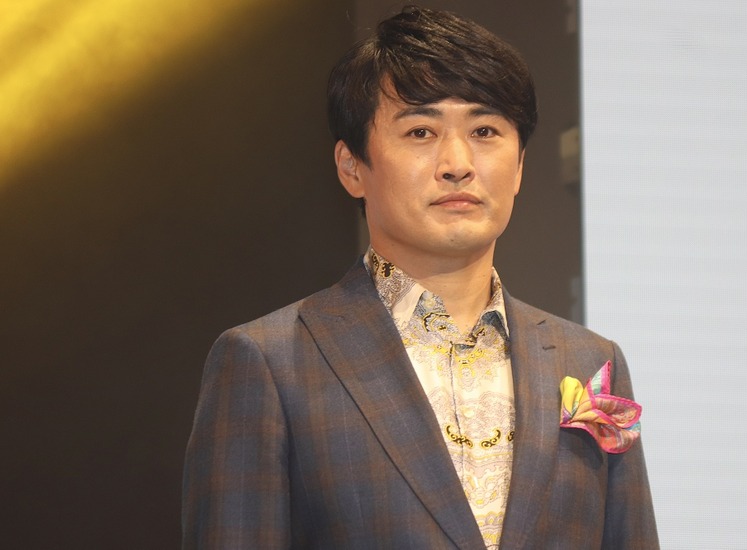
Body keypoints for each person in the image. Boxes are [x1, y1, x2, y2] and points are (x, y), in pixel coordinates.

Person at [182, 5, 658, 549]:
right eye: (421, 131)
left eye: (484, 130)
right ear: (352, 167)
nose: (457, 163)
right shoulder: (269, 363)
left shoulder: (589, 361)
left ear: (520, 166)